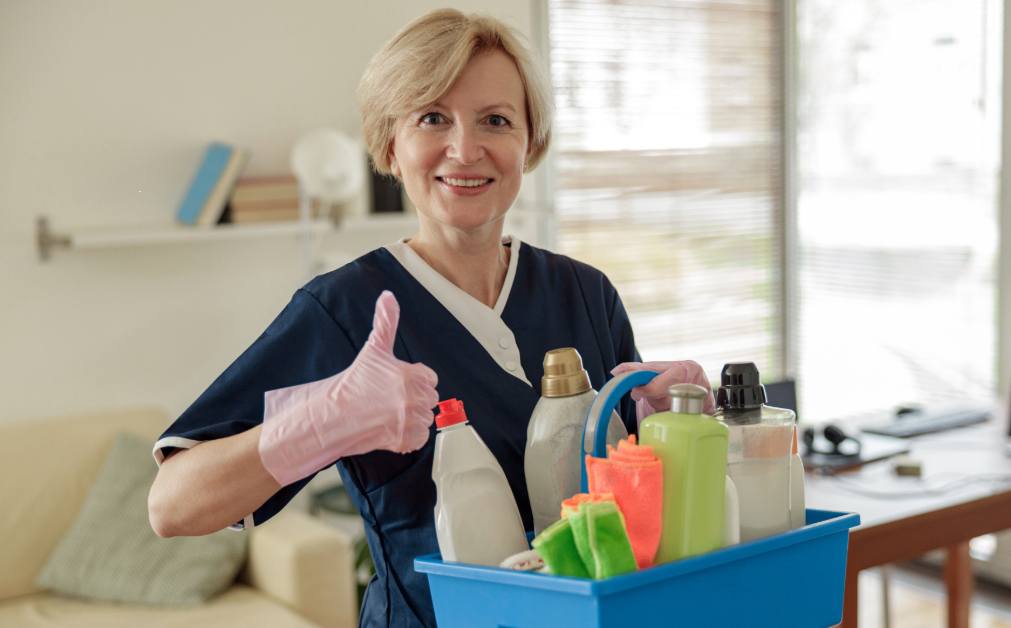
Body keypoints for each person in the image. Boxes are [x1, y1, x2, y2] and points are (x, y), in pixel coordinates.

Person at [147, 9, 714, 628]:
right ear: (391, 144)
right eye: (432, 118)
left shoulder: (586, 293)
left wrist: (678, 430)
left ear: (530, 144)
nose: (465, 149)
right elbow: (172, 507)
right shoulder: (346, 309)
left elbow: (635, 507)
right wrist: (320, 423)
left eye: (495, 120)